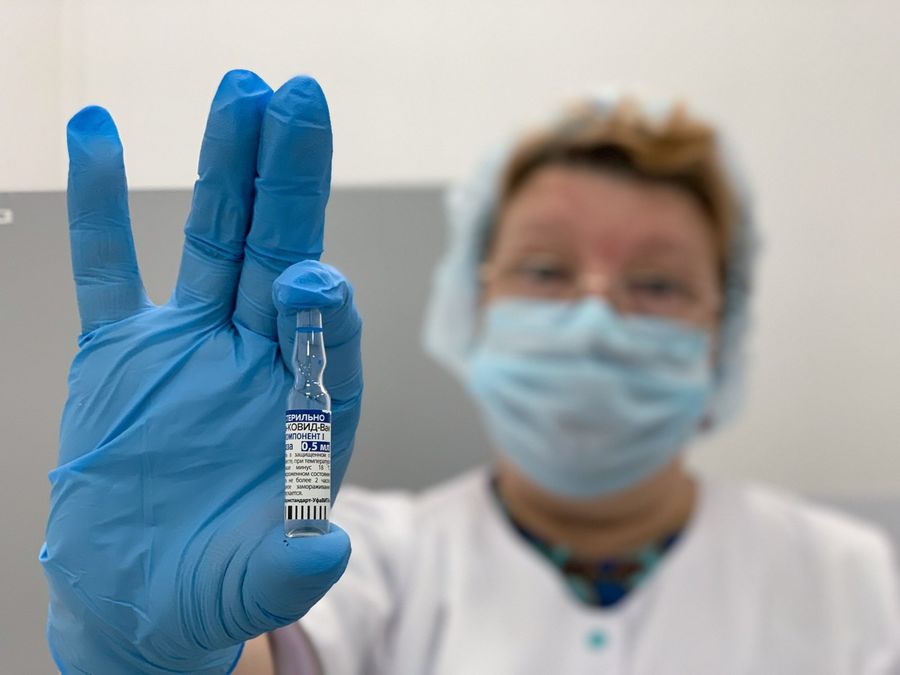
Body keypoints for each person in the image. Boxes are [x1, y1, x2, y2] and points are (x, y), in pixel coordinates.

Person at [40, 70, 900, 674]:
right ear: (472, 308)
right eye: (546, 270)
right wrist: (150, 656)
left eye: (658, 284)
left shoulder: (845, 576)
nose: (594, 320)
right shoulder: (358, 555)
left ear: (723, 333)